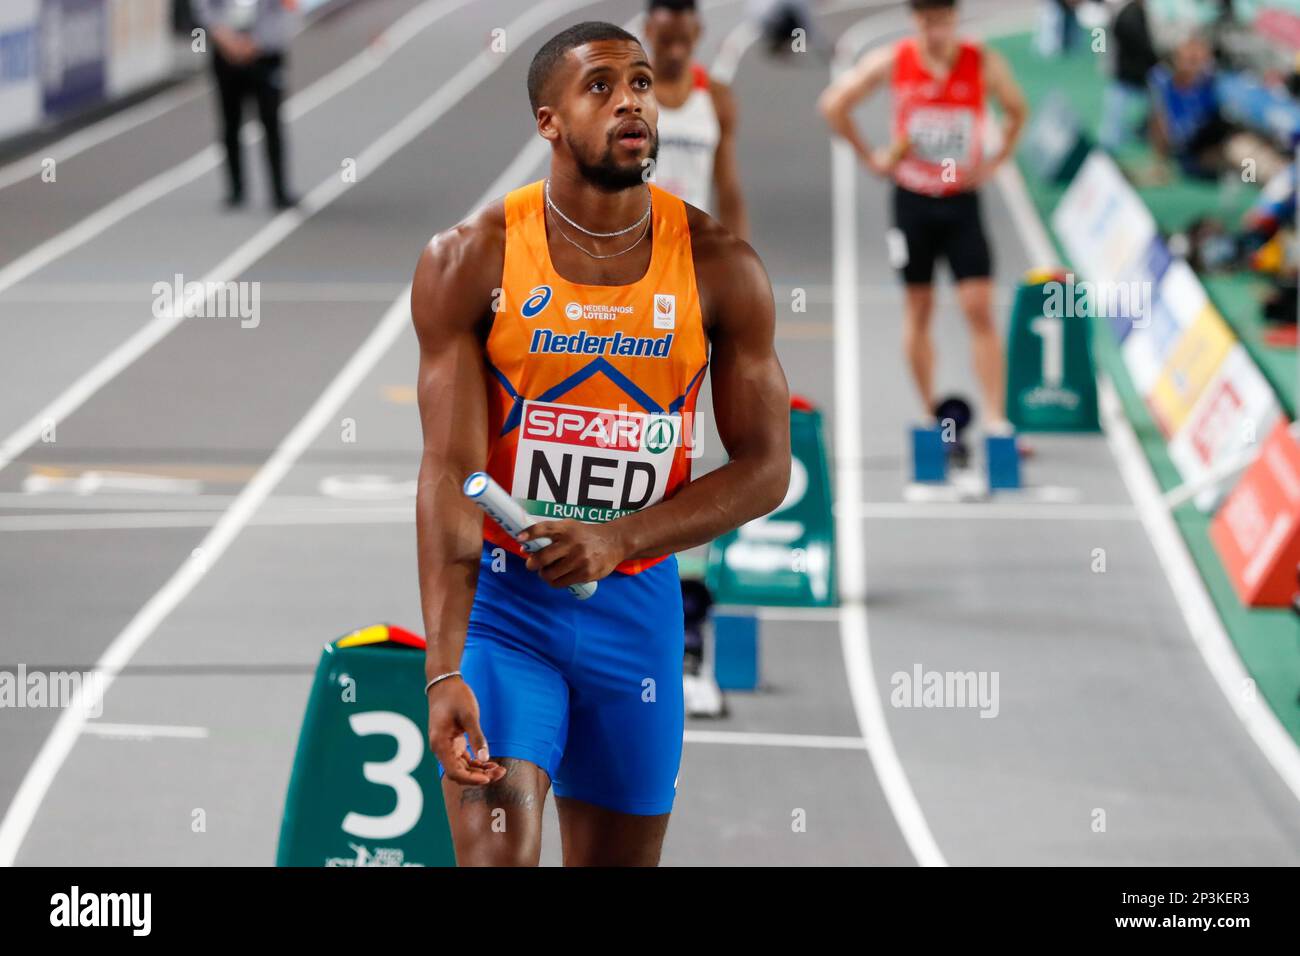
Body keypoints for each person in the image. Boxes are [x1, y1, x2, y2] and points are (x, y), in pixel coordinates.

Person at [410, 21, 791, 866]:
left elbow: (768, 468)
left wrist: (618, 538)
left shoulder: (721, 267)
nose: (632, 101)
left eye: (644, 84)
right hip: (505, 616)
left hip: (637, 618)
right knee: (500, 854)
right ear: (549, 120)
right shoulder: (471, 261)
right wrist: (443, 670)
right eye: (602, 86)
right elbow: (448, 475)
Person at [818, 0, 1027, 439]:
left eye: (943, 21)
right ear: (915, 21)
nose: (936, 30)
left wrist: (996, 162)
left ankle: (994, 418)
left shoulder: (981, 62)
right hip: (912, 201)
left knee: (979, 309)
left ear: (955, 19)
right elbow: (834, 105)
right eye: (927, 21)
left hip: (961, 200)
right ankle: (931, 415)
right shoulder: (894, 60)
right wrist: (870, 157)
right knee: (919, 308)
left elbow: (1017, 110)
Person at [643, 0, 749, 240]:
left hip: (693, 244)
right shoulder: (628, 94)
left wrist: (742, 259)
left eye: (683, 41)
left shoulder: (717, 97)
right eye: (666, 41)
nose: (675, 52)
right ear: (648, 30)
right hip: (639, 247)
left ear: (698, 31)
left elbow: (727, 189)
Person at [190, 0, 299, 209]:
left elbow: (288, 11)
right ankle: (236, 190)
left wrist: (259, 42)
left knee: (271, 121)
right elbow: (203, 7)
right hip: (226, 54)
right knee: (230, 122)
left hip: (266, 56)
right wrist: (224, 37)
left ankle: (279, 190)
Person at [1148, 33, 1288, 183]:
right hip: (1196, 155)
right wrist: (1160, 164)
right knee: (1245, 153)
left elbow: (1246, 104)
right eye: (1190, 59)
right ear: (1177, 60)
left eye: (1200, 60)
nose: (1195, 65)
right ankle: (1276, 183)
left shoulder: (1214, 82)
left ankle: (1274, 182)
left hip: (1221, 142)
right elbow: (1160, 126)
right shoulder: (1165, 84)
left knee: (1250, 151)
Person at [1099, 0, 1158, 154]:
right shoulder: (1128, 14)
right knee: (1116, 113)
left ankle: (1142, 132)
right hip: (1127, 71)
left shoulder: (1136, 11)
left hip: (1133, 70)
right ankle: (1110, 142)